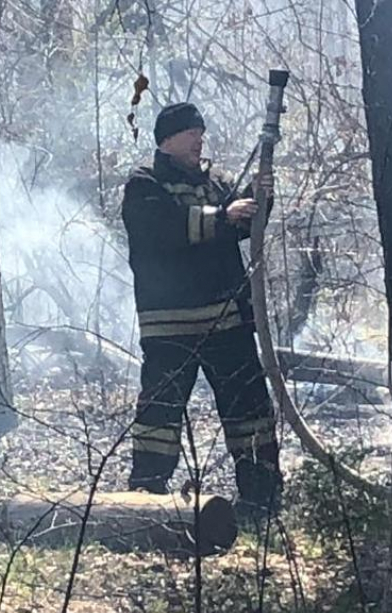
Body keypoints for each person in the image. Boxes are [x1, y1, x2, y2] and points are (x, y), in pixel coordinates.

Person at [121, 102, 282, 513]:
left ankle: (261, 495)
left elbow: (243, 227)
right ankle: (144, 499)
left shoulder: (219, 183)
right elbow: (166, 231)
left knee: (250, 409)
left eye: (201, 131)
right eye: (191, 132)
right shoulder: (145, 184)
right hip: (169, 325)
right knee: (160, 414)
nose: (200, 139)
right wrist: (224, 217)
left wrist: (259, 199)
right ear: (167, 140)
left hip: (226, 321)